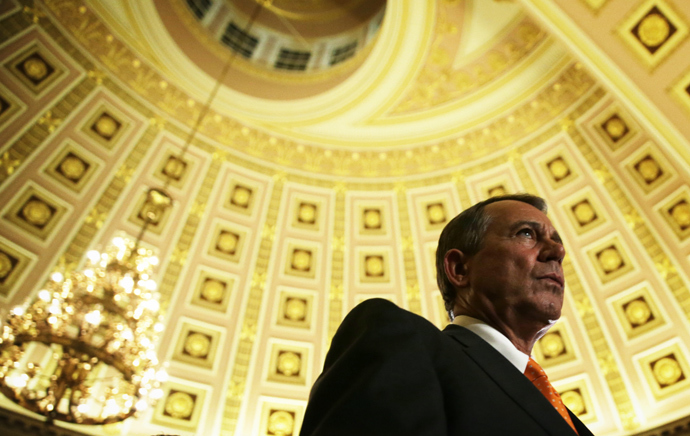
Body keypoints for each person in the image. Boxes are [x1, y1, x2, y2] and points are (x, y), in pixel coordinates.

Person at [300, 194, 594, 436]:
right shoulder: (402, 341)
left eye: (556, 240)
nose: (557, 251)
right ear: (459, 269)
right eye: (527, 233)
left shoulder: (561, 412)